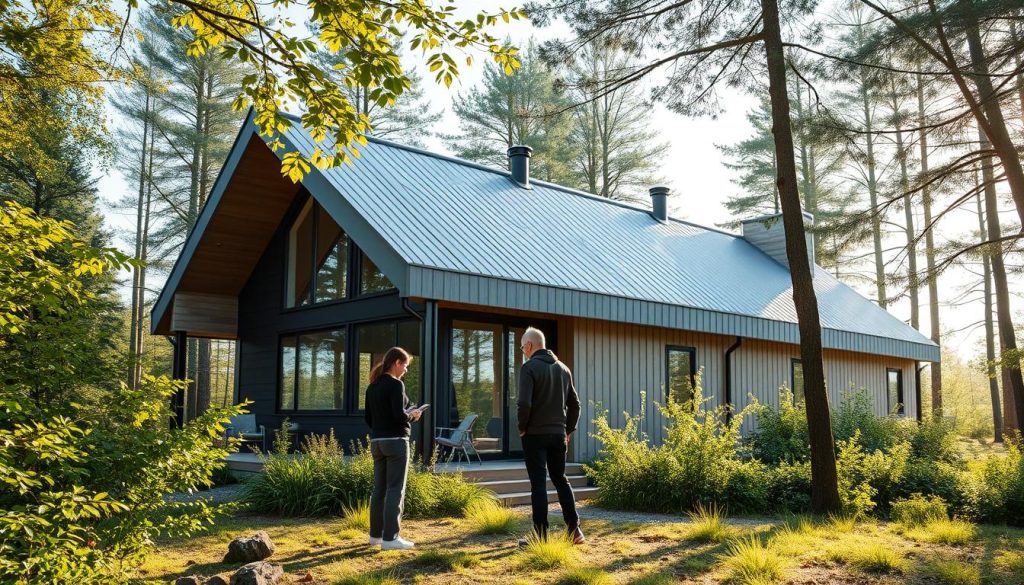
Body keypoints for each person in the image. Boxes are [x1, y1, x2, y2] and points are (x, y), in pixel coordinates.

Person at [517, 326, 584, 544]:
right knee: (561, 480)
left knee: (538, 484)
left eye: (522, 347)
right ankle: (575, 531)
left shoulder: (528, 368)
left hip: (535, 435)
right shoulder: (564, 369)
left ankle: (540, 536)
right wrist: (568, 430)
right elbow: (575, 405)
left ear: (529, 346)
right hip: (557, 435)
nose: (522, 351)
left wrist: (521, 427)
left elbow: (524, 403)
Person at [364, 346, 421, 550]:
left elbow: (368, 418)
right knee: (395, 489)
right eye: (405, 365)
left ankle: (375, 536)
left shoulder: (372, 386)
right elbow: (399, 416)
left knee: (379, 489)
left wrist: (393, 420)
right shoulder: (396, 385)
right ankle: (391, 538)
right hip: (396, 442)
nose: (405, 370)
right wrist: (412, 415)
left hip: (376, 442)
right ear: (396, 363)